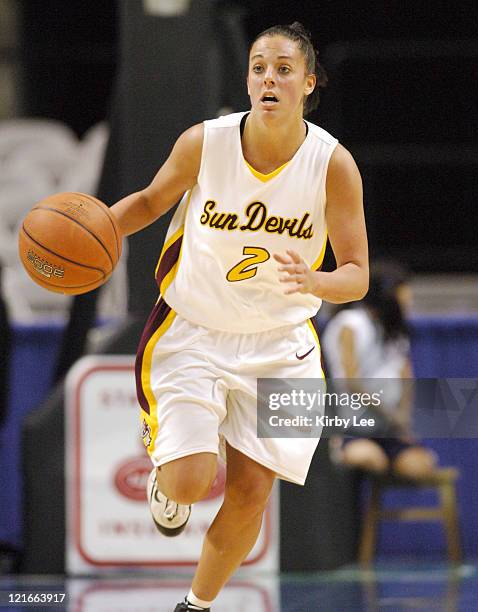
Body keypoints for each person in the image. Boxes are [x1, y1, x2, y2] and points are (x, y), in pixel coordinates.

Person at [110, 22, 368, 612]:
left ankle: (196, 606)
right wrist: (101, 228)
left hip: (282, 343)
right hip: (194, 330)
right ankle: (164, 464)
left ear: (308, 82)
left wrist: (316, 279)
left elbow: (357, 275)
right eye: (258, 67)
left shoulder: (334, 165)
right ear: (247, 79)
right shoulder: (206, 141)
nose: (268, 78)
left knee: (252, 494)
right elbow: (150, 201)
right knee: (191, 481)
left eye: (282, 68)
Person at [322, 260, 437, 478]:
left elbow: (405, 374)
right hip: (354, 427)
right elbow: (351, 381)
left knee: (420, 465)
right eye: (404, 293)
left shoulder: (394, 330)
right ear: (387, 294)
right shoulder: (350, 323)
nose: (409, 299)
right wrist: (390, 414)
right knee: (370, 458)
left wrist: (402, 419)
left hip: (389, 431)